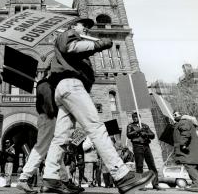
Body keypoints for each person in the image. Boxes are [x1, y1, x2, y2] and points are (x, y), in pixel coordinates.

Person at [41, 17, 154, 194]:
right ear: (73, 26)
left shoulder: (75, 40)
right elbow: (70, 47)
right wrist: (99, 44)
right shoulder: (69, 34)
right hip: (72, 85)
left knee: (61, 136)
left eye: (88, 27)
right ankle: (122, 175)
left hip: (64, 90)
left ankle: (51, 177)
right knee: (95, 127)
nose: (86, 28)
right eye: (83, 25)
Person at [16, 70, 81, 194]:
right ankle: (24, 178)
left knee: (56, 150)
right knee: (42, 148)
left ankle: (64, 180)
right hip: (48, 118)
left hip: (48, 118)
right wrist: (55, 114)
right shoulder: (45, 84)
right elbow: (49, 103)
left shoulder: (46, 84)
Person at [126, 112, 164, 191]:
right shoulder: (130, 126)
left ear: (140, 118)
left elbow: (152, 135)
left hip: (146, 146)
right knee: (139, 166)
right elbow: (129, 135)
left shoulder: (145, 126)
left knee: (152, 165)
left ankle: (155, 184)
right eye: (134, 117)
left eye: (137, 117)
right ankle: (140, 185)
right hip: (137, 147)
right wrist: (138, 131)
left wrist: (146, 134)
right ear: (132, 118)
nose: (136, 118)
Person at [173, 111, 198, 192]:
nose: (174, 116)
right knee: (193, 166)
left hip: (188, 151)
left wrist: (183, 144)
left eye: (176, 114)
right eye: (173, 115)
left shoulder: (184, 122)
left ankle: (196, 184)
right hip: (192, 150)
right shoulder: (188, 122)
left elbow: (185, 133)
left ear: (182, 115)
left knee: (189, 166)